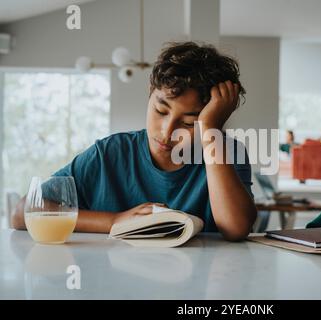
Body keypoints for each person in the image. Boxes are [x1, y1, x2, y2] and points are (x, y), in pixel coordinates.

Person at [12, 42, 257, 241]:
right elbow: (23, 212)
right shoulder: (109, 153)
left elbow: (236, 229)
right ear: (150, 94)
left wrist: (211, 131)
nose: (167, 130)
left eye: (190, 123)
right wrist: (114, 221)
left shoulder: (227, 152)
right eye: (161, 111)